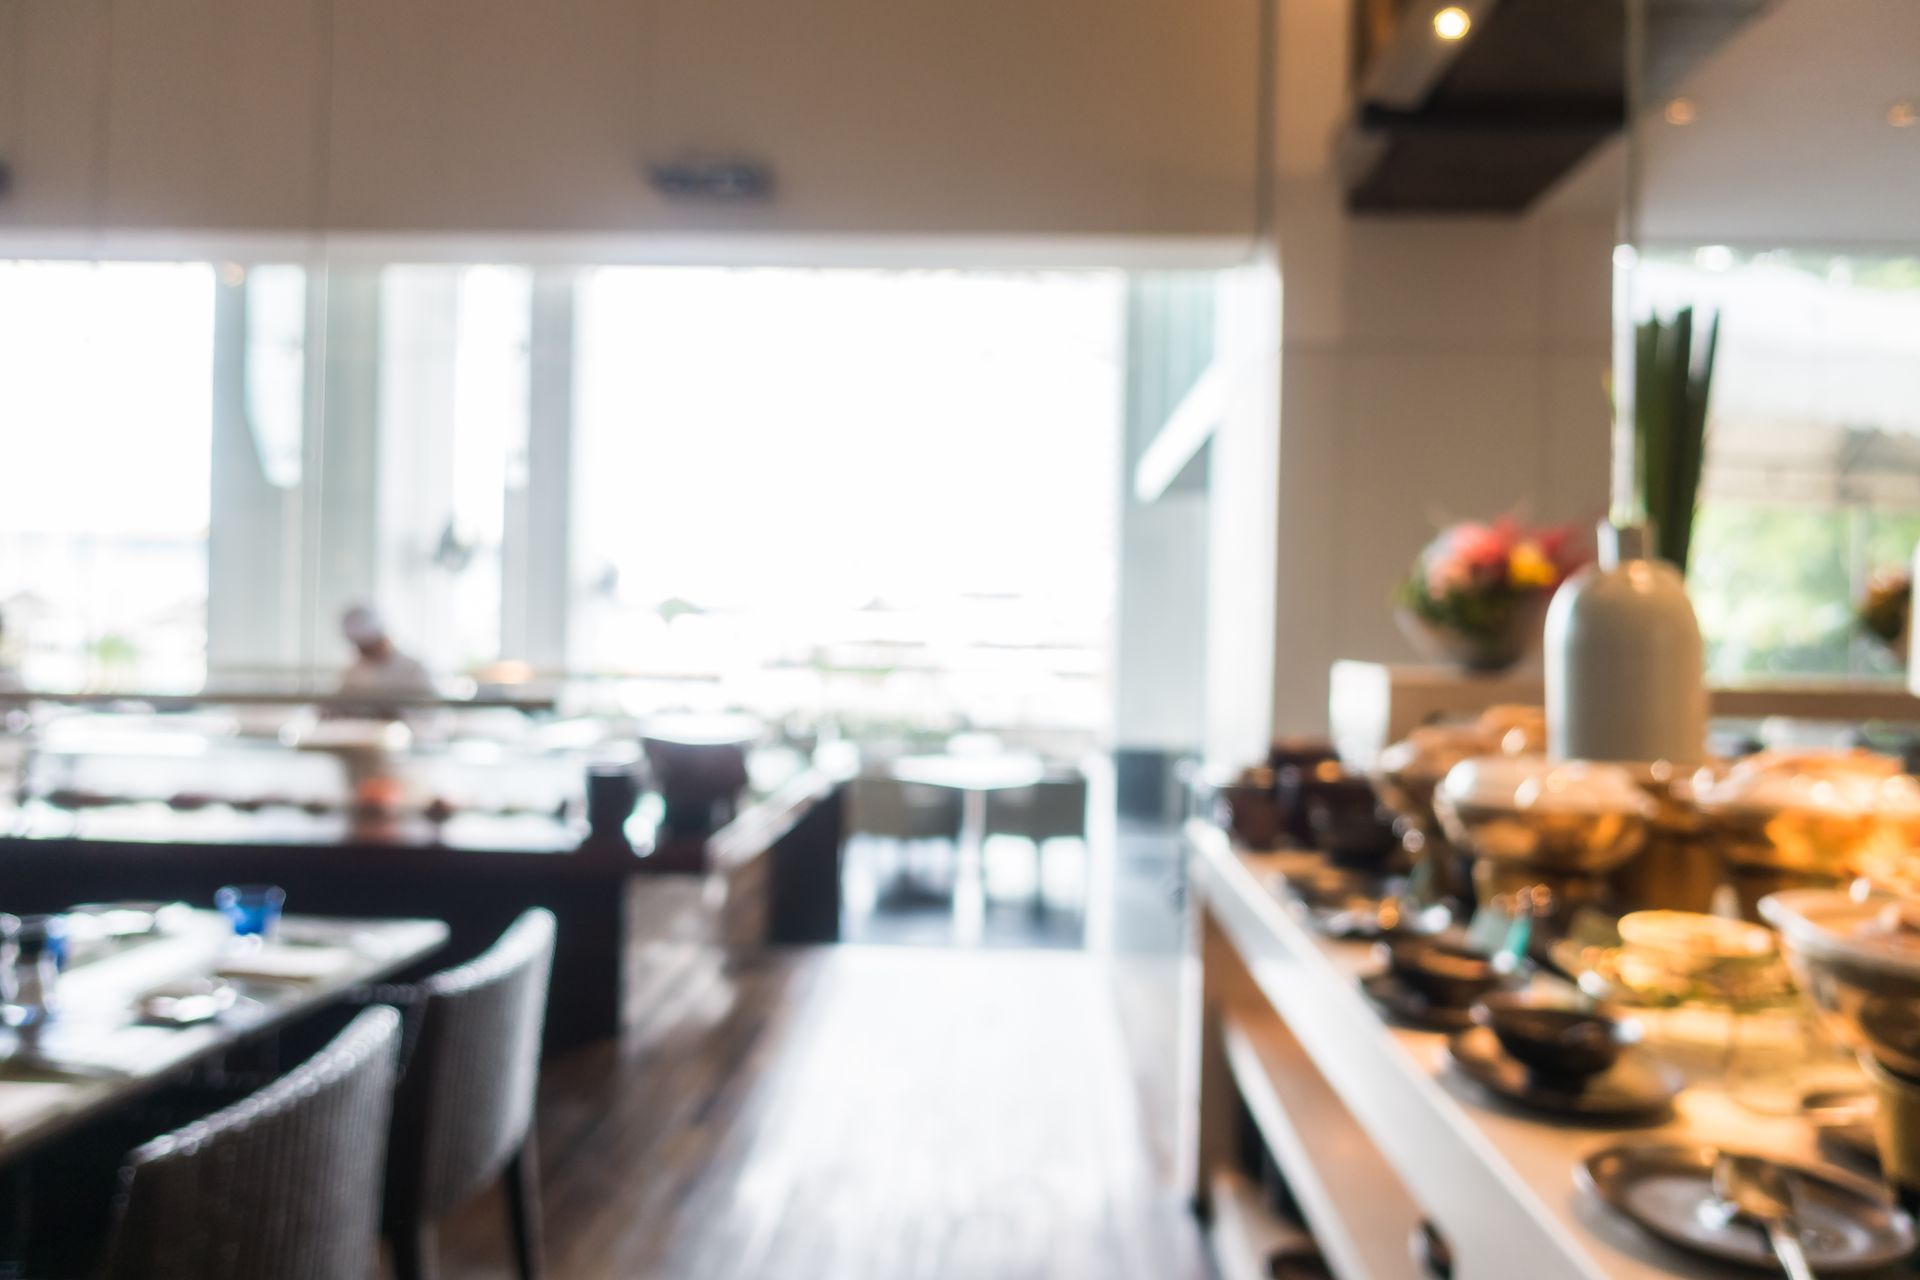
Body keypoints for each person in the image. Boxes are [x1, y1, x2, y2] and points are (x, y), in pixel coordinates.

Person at [338, 604, 435, 704]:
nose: (368, 653)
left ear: (385, 639)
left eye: (372, 646)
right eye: (363, 648)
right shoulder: (352, 672)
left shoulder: (414, 669)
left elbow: (429, 710)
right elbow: (338, 705)